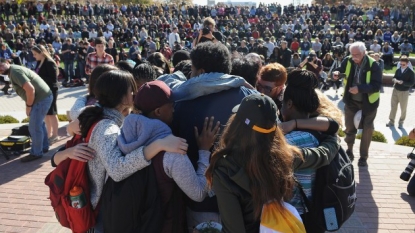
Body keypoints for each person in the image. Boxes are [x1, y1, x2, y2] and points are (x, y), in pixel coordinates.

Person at [52, 70, 188, 233]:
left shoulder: (102, 117)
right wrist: (158, 145)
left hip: (102, 207)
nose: (134, 93)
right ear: (123, 97)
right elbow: (117, 169)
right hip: (99, 212)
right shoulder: (106, 127)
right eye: (131, 90)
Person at [171, 42, 257, 231]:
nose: (190, 75)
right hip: (246, 200)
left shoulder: (179, 103)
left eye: (192, 70)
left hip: (200, 204)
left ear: (200, 71)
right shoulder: (249, 98)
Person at [119, 80, 219, 233]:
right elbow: (198, 193)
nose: (175, 109)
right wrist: (204, 150)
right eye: (172, 105)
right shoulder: (172, 150)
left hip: (134, 223)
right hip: (164, 225)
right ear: (158, 111)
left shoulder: (123, 136)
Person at [205, 94, 303, 232]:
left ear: (236, 124)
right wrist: (332, 140)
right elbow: (323, 154)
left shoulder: (224, 170)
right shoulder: (286, 156)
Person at [333, 41, 382, 167]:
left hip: (369, 103)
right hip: (351, 101)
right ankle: (349, 151)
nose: (354, 57)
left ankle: (363, 157)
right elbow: (341, 70)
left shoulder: (373, 65)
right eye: (352, 54)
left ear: (364, 52)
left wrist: (359, 89)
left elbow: (376, 86)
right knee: (350, 127)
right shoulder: (348, 60)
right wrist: (337, 73)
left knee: (367, 129)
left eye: (357, 55)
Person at [0, 58, 52, 162]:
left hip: (40, 99)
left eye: (1, 65)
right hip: (43, 97)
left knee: (34, 127)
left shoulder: (15, 72)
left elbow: (30, 89)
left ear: (7, 62)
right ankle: (43, 147)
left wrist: (29, 106)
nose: (0, 69)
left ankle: (36, 153)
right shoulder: (14, 70)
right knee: (39, 124)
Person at [32, 45, 60, 145]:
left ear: (41, 53)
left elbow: (53, 79)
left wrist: (38, 78)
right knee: (46, 114)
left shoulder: (49, 63)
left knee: (52, 113)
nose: (34, 56)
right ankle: (49, 134)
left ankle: (55, 135)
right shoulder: (39, 62)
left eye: (35, 54)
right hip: (43, 91)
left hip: (51, 90)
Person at [386, 56, 415, 129]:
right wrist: (394, 80)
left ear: (407, 64)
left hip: (404, 92)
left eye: (403, 64)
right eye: (401, 64)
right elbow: (394, 77)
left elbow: (412, 83)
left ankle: (401, 122)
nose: (402, 66)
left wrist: (403, 83)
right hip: (395, 90)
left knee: (403, 108)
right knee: (393, 107)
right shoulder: (398, 70)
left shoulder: (411, 72)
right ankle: (391, 122)